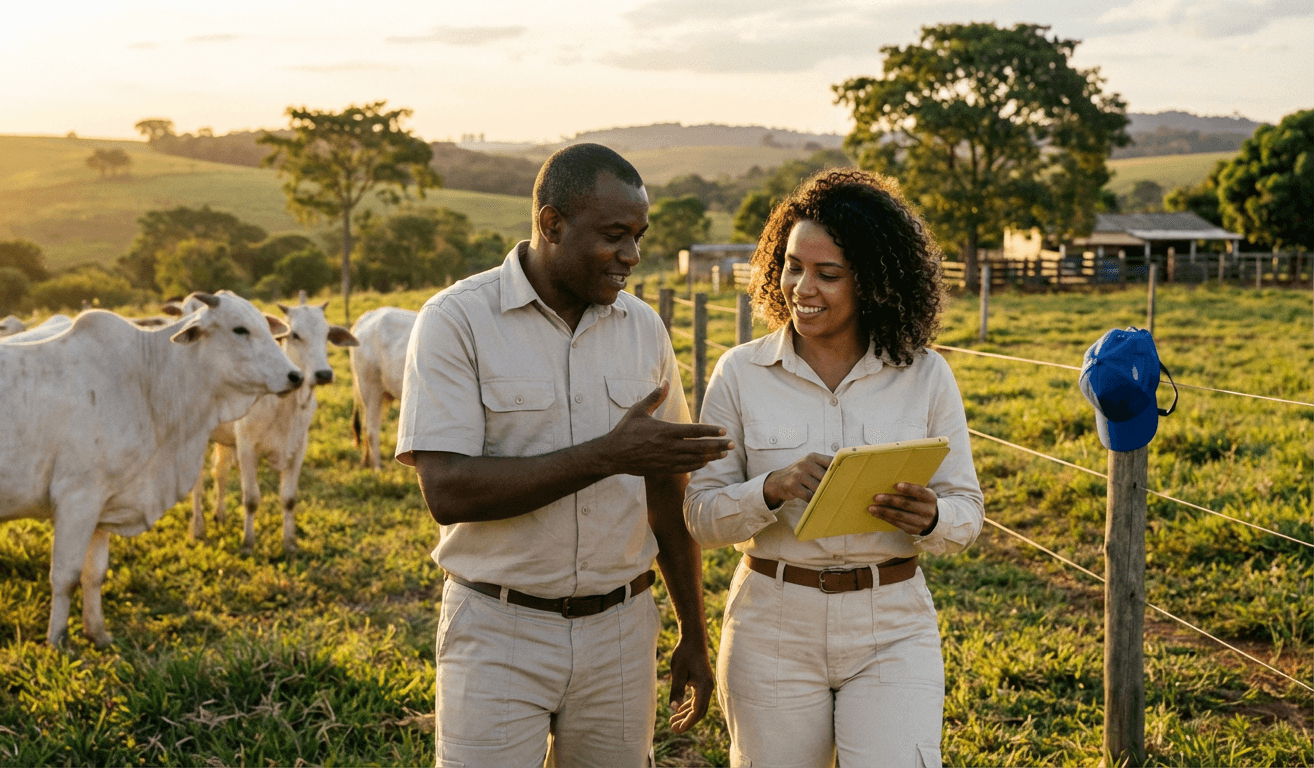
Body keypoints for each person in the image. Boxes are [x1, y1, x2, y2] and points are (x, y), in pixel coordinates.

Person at [396, 143, 733, 767]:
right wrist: (606, 456)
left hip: (621, 630)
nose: (632, 256)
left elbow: (666, 492)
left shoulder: (643, 329)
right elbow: (447, 491)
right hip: (498, 628)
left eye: (638, 237)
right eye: (614, 236)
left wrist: (694, 631)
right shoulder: (456, 321)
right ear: (552, 224)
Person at [684, 167, 984, 767]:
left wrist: (932, 517)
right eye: (792, 266)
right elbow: (700, 515)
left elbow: (967, 513)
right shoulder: (740, 373)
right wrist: (769, 489)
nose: (803, 287)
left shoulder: (925, 375)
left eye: (828, 274)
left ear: (872, 281)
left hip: (892, 624)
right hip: (772, 623)